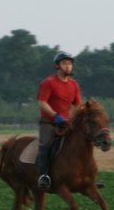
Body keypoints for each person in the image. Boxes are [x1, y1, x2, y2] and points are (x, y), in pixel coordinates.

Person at [35, 52, 83, 189]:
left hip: (66, 123)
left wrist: (73, 118)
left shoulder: (74, 85)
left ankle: (84, 176)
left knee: (80, 142)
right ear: (57, 66)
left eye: (70, 63)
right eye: (64, 63)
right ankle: (44, 175)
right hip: (49, 122)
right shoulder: (48, 83)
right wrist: (55, 115)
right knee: (47, 144)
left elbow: (78, 105)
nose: (68, 66)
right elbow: (42, 102)